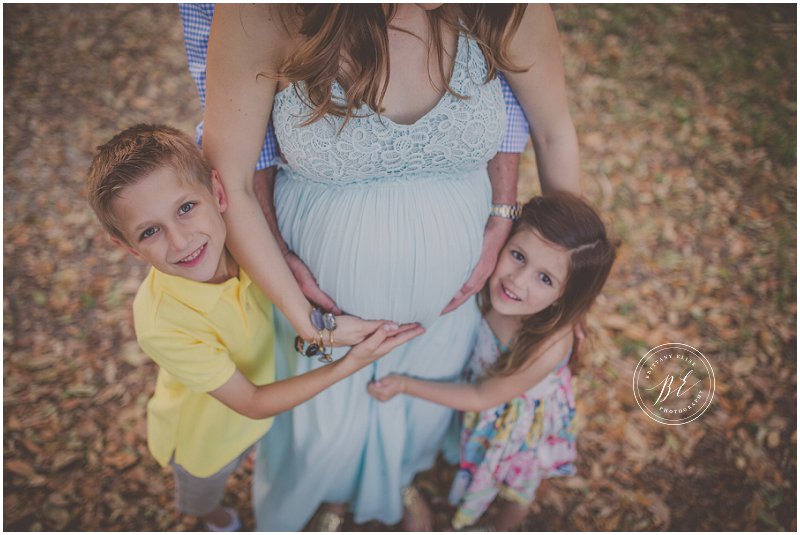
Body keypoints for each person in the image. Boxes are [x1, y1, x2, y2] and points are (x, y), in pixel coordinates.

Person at [201, 4, 581, 530]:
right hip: (319, 299)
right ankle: (330, 494)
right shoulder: (262, 13)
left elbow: (555, 131)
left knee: (421, 399)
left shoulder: (502, 7)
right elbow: (231, 179)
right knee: (325, 417)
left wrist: (543, 257)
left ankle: (397, 478)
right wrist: (298, 306)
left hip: (448, 300)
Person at [85, 124, 424, 531]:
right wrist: (349, 364)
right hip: (205, 438)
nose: (180, 241)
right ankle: (213, 518)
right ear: (128, 247)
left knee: (257, 447)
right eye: (150, 231)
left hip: (265, 408)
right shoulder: (160, 323)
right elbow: (250, 401)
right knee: (203, 492)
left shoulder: (247, 248)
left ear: (218, 191)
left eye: (186, 208)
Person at [369, 193, 616, 530]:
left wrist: (405, 384)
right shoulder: (490, 284)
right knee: (472, 455)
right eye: (518, 255)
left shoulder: (548, 346)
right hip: (486, 395)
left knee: (518, 487)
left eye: (545, 279)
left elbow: (481, 397)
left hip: (519, 421)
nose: (517, 280)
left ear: (564, 299)